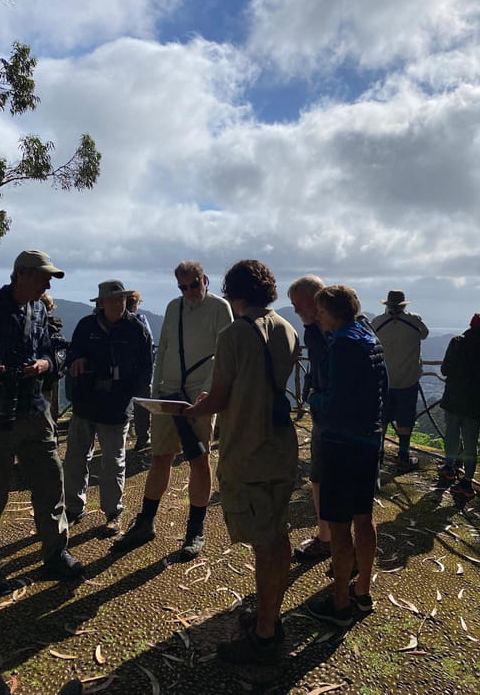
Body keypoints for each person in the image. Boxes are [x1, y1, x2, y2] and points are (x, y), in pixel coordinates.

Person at [183, 259, 299, 664]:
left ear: (233, 293)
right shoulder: (288, 329)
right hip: (281, 447)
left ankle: (265, 635)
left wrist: (189, 409)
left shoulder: (233, 334)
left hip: (247, 450)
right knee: (276, 533)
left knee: (265, 545)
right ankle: (270, 616)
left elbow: (218, 397)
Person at [0, 250, 84, 600]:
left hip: (36, 410)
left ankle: (55, 554)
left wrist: (43, 364)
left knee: (50, 482)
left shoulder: (40, 309)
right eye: (43, 277)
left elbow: (60, 352)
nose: (48, 283)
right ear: (20, 274)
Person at [113, 261, 233, 559]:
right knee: (161, 456)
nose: (189, 291)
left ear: (204, 279)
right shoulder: (173, 307)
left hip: (200, 396)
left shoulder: (220, 308)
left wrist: (207, 392)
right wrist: (156, 393)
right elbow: (163, 347)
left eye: (194, 284)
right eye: (183, 287)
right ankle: (146, 522)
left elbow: (224, 353)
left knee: (199, 459)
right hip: (169, 393)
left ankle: (196, 528)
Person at [307, 285, 387, 626]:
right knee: (364, 517)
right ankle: (363, 590)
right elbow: (383, 389)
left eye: (320, 312)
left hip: (340, 444)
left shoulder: (341, 343)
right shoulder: (370, 338)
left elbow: (335, 400)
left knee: (339, 526)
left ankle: (339, 602)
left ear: (332, 311)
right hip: (369, 439)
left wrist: (313, 399)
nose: (318, 318)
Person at [64, 280, 152, 537]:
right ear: (100, 303)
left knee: (113, 462)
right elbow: (70, 355)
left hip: (115, 406)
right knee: (76, 458)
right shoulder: (86, 326)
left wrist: (130, 393)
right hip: (85, 402)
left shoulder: (136, 329)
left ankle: (114, 512)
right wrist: (75, 361)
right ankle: (73, 507)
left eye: (121, 299)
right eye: (111, 299)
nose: (117, 303)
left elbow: (146, 366)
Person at [288, 275, 332, 562]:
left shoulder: (327, 332)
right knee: (319, 479)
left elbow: (326, 375)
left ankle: (330, 543)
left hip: (332, 420)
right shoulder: (325, 330)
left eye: (297, 305)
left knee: (324, 479)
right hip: (331, 418)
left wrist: (316, 399)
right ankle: (327, 538)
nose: (294, 310)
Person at [438, 312, 480, 501]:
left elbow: (445, 369)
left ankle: (449, 467)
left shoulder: (457, 342)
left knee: (452, 435)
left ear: (471, 324)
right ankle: (467, 482)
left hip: (454, 397)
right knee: (471, 443)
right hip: (473, 401)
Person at [371, 290, 429, 472]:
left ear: (386, 305)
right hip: (408, 379)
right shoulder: (414, 322)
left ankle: (378, 455)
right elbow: (425, 334)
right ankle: (403, 455)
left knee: (382, 419)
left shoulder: (377, 323)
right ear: (404, 305)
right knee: (405, 420)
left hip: (384, 380)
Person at [126, 290, 155, 451]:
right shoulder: (141, 320)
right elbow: (150, 345)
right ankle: (143, 437)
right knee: (142, 406)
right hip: (142, 372)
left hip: (124, 372)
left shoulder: (119, 322)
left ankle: (121, 435)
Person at [40, 292, 68, 423]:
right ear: (51, 307)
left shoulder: (35, 326)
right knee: (50, 413)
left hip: (36, 375)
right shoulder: (55, 329)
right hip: (53, 375)